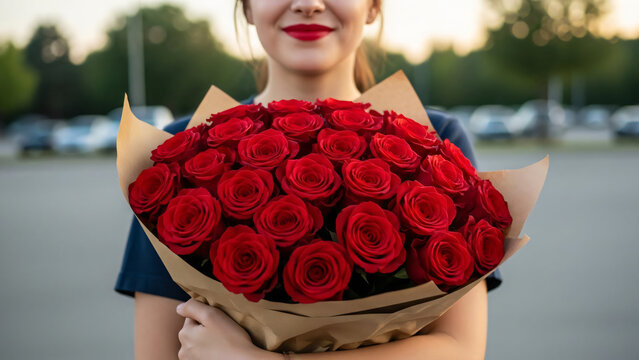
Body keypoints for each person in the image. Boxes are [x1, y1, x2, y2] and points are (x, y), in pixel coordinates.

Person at [115, 1, 502, 359]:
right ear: (247, 6)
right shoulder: (180, 155)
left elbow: (461, 349)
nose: (308, 3)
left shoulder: (434, 140)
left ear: (373, 6)